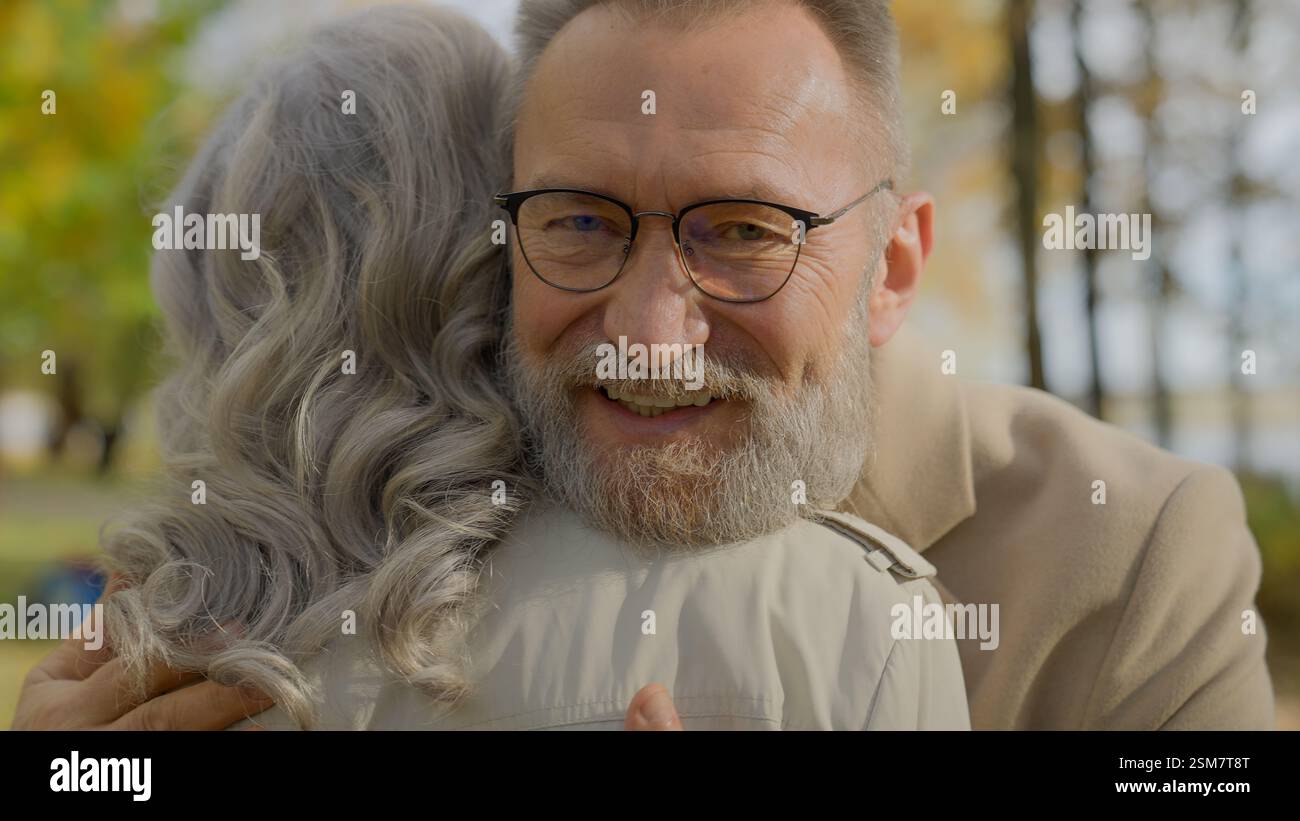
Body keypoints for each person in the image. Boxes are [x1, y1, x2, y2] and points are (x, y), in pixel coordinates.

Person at [13, 2, 971, 732]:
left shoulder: (135, 666)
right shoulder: (852, 625)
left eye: (744, 230)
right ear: (488, 262)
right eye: (581, 222)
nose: (650, 330)